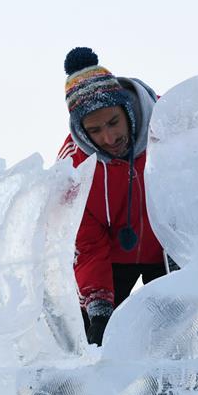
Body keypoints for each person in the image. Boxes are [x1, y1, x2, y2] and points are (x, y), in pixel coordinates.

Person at [57, 47, 172, 346]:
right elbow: (86, 241)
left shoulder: (171, 130)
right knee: (92, 340)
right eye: (95, 130)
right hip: (111, 258)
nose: (108, 138)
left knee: (171, 340)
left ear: (127, 110)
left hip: (168, 252)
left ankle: (171, 392)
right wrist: (98, 308)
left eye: (112, 123)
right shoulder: (75, 167)